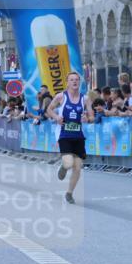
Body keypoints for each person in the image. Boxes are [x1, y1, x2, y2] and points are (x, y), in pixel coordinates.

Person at [45, 71, 95, 204]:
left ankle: (69, 193)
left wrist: (87, 118)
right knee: (68, 162)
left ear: (80, 82)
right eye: (72, 80)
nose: (75, 82)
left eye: (77, 80)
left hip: (78, 135)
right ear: (67, 82)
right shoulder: (61, 97)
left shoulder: (85, 99)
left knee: (78, 167)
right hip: (64, 134)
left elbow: (92, 116)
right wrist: (56, 117)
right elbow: (48, 110)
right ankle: (64, 166)